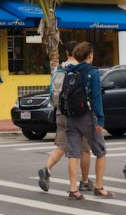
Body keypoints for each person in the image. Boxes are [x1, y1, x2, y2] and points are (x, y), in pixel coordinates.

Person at [38, 41, 93, 193]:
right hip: (78, 114)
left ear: (66, 52)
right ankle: (85, 181)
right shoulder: (81, 69)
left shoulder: (58, 69)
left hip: (60, 112)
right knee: (84, 149)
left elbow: (52, 91)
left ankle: (47, 168)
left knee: (62, 145)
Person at [64, 42, 113, 199]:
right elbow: (96, 97)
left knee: (73, 153)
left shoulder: (70, 71)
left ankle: (73, 189)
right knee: (100, 151)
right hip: (87, 116)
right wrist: (100, 119)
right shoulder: (92, 72)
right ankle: (99, 187)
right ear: (90, 55)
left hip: (71, 116)